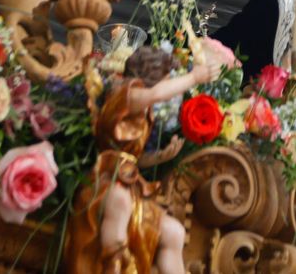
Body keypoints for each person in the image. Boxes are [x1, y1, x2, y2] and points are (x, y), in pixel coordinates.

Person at [64, 46, 223, 274]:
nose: (166, 84)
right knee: (119, 206)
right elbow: (155, 94)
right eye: (165, 78)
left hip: (130, 182)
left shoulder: (142, 107)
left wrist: (157, 157)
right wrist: (195, 77)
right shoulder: (127, 94)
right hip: (110, 181)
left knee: (174, 232)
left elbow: (130, 158)